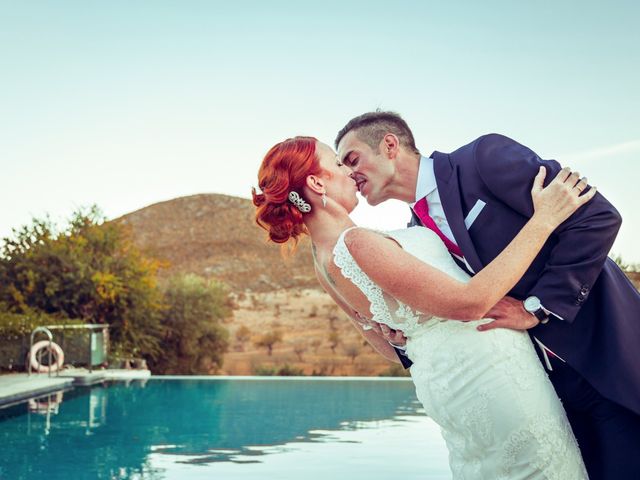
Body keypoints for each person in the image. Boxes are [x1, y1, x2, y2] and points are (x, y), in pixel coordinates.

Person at [253, 136, 592, 479]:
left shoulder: (323, 263)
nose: (349, 172)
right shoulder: (356, 243)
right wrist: (543, 220)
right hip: (491, 377)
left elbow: (389, 347)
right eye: (338, 164)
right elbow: (470, 303)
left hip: (454, 388)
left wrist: (400, 328)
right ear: (315, 181)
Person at [334, 111, 640, 480]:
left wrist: (537, 308)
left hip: (608, 362)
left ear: (389, 145)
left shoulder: (482, 159)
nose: (349, 174)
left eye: (352, 159)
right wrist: (403, 338)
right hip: (547, 399)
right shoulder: (417, 237)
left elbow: (597, 217)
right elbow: (455, 305)